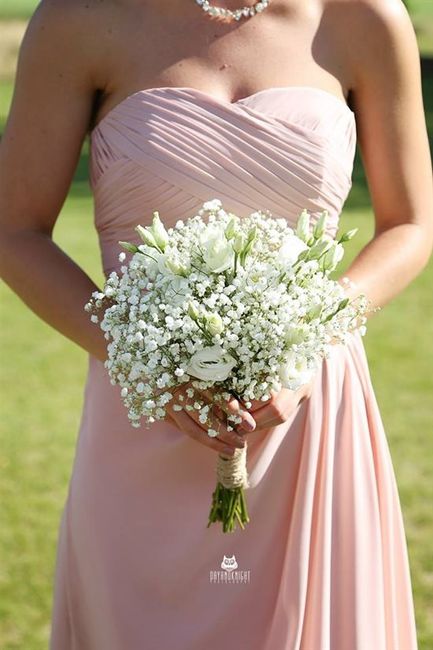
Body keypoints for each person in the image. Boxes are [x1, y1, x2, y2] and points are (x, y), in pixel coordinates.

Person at [0, 0, 432, 647]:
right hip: (143, 417)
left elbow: (410, 224)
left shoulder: (365, 17)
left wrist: (306, 343)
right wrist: (146, 363)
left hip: (304, 411)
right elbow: (14, 230)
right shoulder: (80, 17)